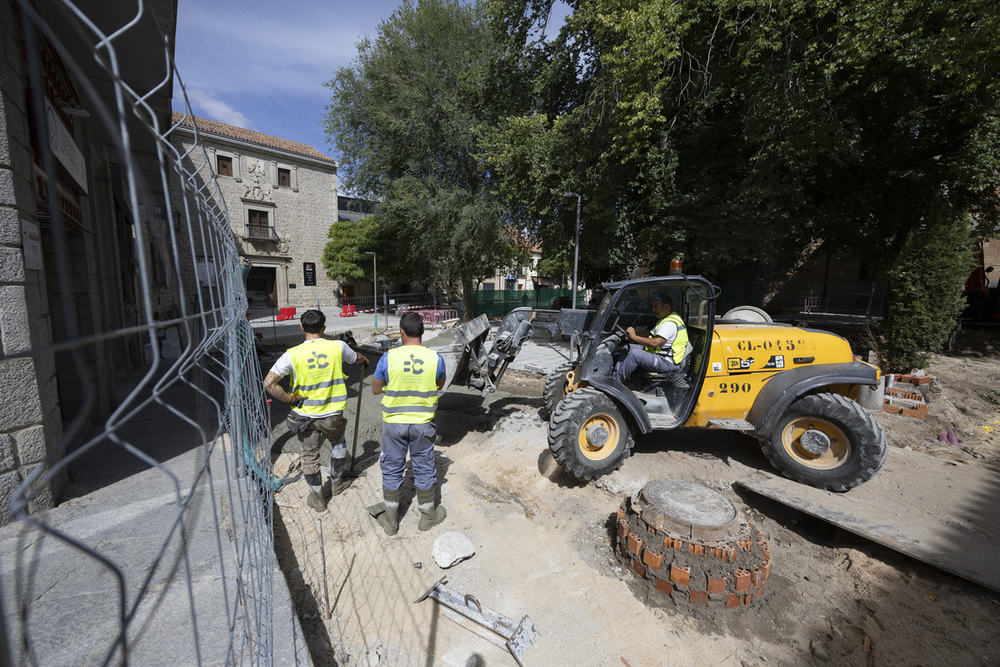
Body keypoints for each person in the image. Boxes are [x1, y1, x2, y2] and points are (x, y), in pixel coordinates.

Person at [264, 309, 368, 512]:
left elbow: (268, 383)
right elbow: (355, 358)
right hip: (332, 414)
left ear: (302, 327)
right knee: (338, 443)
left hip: (305, 416)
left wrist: (289, 398)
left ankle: (318, 498)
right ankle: (337, 484)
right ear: (324, 328)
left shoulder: (292, 355)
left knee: (309, 455)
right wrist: (363, 359)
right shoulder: (338, 346)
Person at [367, 312, 447, 535]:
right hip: (423, 424)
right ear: (423, 331)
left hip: (394, 424)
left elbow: (375, 388)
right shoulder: (435, 358)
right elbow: (440, 384)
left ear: (401, 332)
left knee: (392, 467)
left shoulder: (388, 358)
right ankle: (428, 516)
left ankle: (391, 521)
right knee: (424, 466)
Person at [611, 294, 691, 384]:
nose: (653, 310)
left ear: (666, 307)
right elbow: (650, 333)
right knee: (628, 347)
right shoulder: (667, 318)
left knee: (635, 354)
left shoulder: (669, 323)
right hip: (659, 354)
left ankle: (615, 383)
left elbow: (655, 343)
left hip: (667, 361)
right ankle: (615, 375)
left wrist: (634, 337)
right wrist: (632, 334)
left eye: (655, 307)